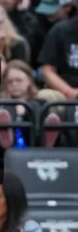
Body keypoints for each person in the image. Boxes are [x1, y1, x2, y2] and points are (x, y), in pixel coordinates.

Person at [0, 59, 65, 149]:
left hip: (35, 144)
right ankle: (6, 135)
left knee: (36, 106)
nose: (14, 84)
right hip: (5, 150)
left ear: (29, 80)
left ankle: (45, 138)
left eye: (19, 80)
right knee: (4, 109)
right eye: (10, 81)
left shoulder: (41, 102)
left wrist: (26, 109)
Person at [38, 10, 78, 144]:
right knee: (44, 96)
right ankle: (49, 141)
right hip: (64, 92)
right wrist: (69, 92)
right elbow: (46, 70)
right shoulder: (61, 30)